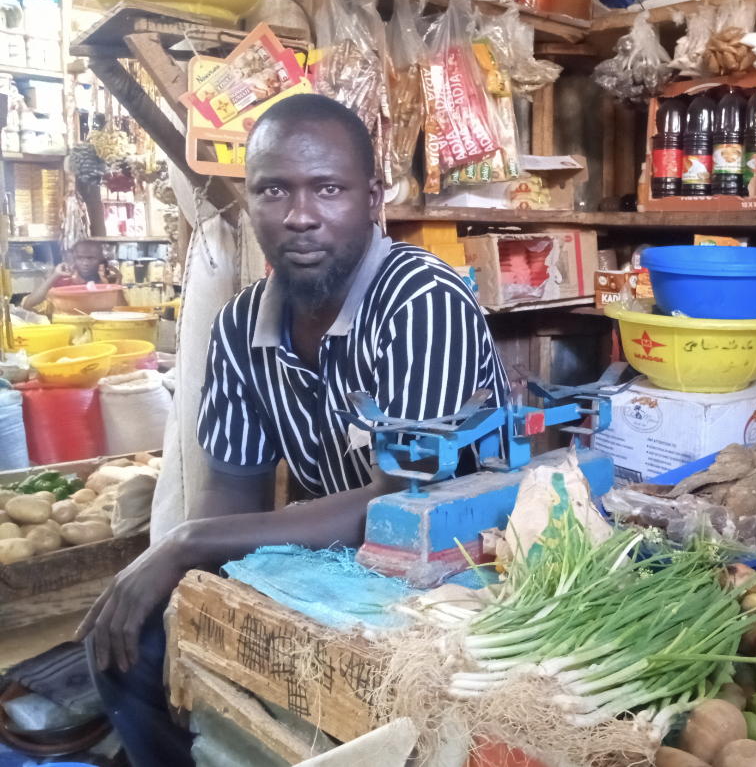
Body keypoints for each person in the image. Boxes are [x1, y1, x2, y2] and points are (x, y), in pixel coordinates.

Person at [80, 94, 508, 767]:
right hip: (334, 573)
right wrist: (190, 592)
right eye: (273, 190)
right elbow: (232, 492)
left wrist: (184, 543)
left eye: (328, 189)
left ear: (372, 199)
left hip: (453, 579)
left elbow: (400, 507)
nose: (300, 216)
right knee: (125, 644)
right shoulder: (243, 324)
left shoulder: (424, 301)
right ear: (250, 203)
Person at [22, 239, 121, 311]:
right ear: (74, 259)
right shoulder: (63, 284)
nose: (85, 263)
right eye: (80, 258)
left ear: (100, 260)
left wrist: (118, 286)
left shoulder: (107, 284)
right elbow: (29, 305)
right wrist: (54, 276)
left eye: (91, 258)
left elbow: (123, 312)